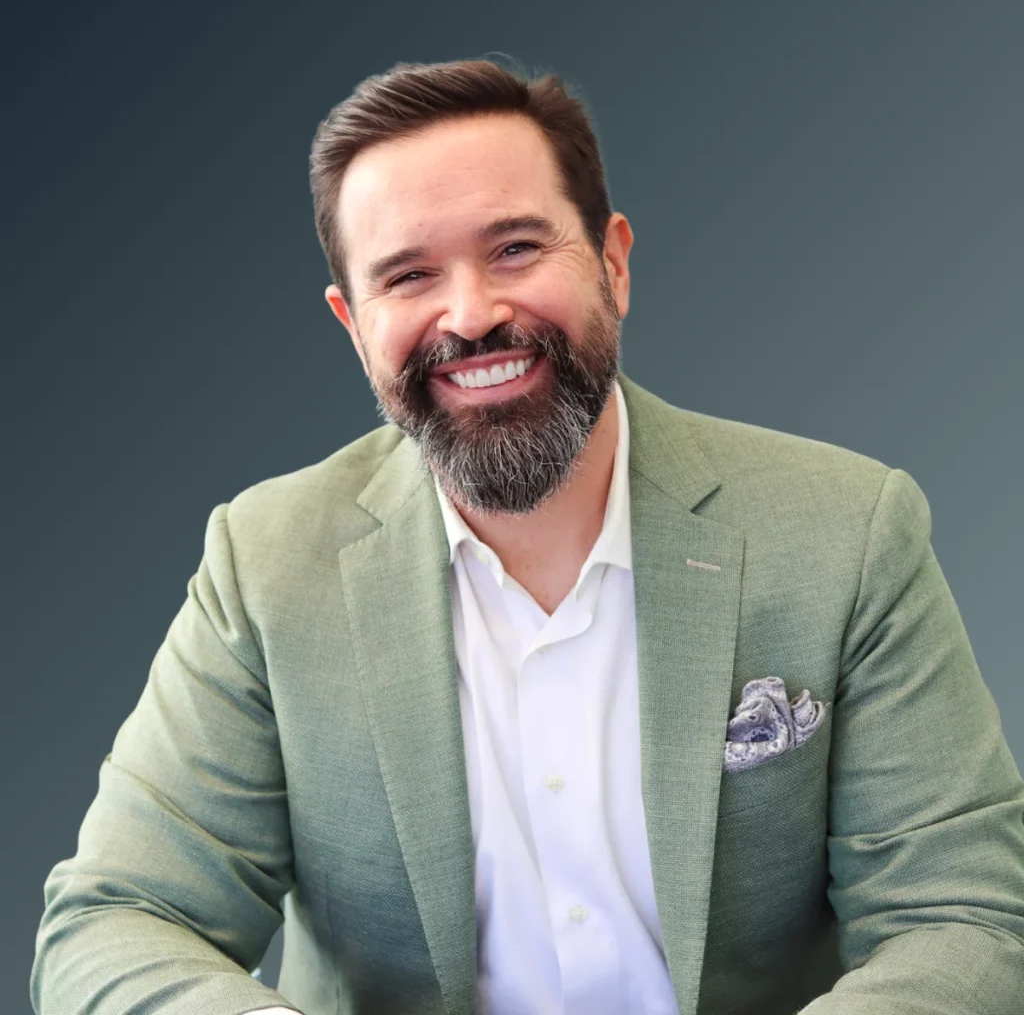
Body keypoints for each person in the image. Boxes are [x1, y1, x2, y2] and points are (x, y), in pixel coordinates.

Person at [31, 58, 1024, 1015]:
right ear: (352, 325)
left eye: (514, 248)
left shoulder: (846, 532)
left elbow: (967, 915)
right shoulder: (265, 564)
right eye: (408, 275)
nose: (471, 315)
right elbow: (113, 917)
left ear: (613, 263)